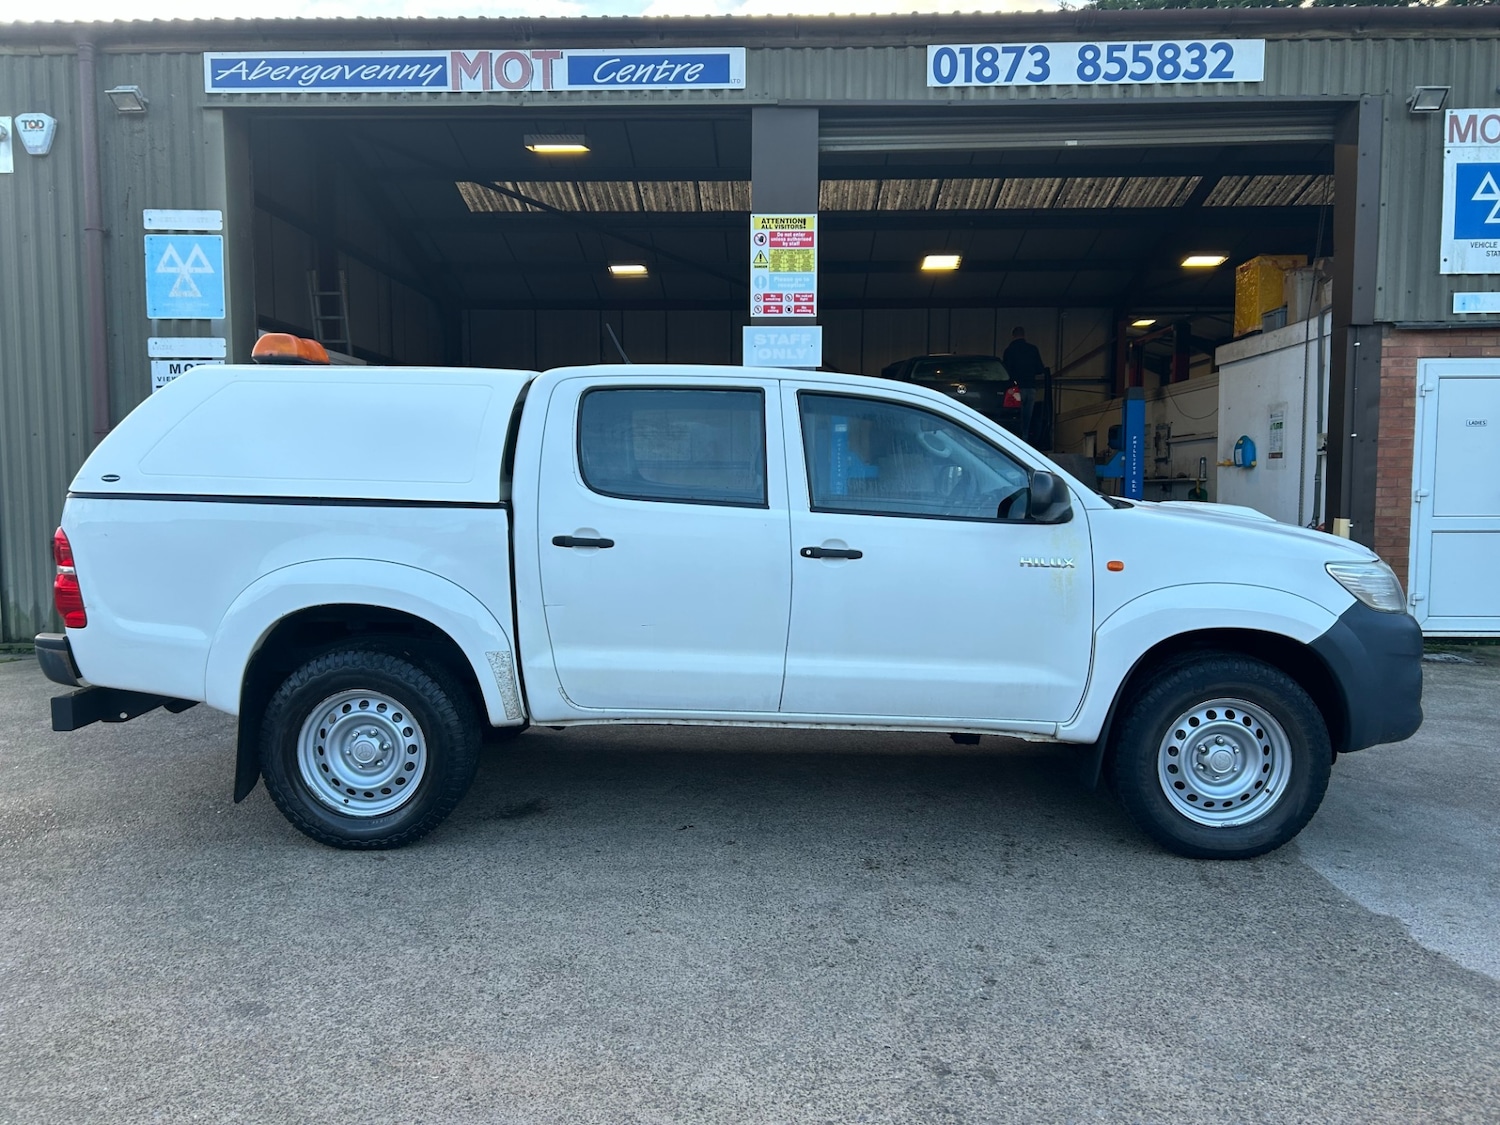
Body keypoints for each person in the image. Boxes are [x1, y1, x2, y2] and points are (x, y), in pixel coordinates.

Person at [1001, 326, 1046, 445]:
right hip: (1030, 387)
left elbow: (1005, 371)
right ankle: (1025, 442)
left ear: (1013, 336)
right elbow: (1040, 369)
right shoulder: (1033, 349)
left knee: (1015, 418)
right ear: (1024, 335)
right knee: (1027, 420)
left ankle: (1014, 444)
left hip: (1015, 390)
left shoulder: (1009, 351)